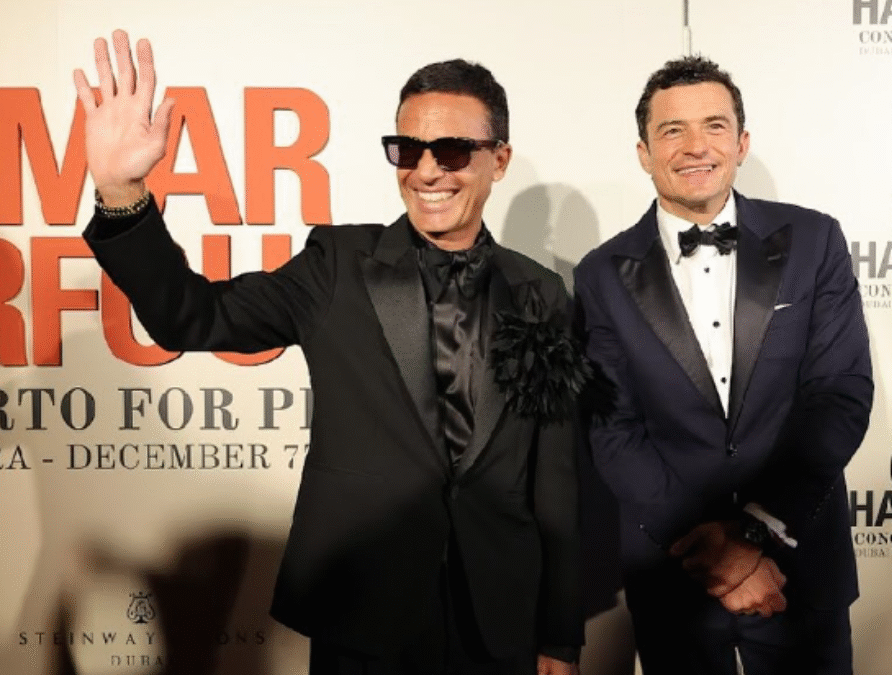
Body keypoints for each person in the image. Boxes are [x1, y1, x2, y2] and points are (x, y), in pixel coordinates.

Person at [75, 30, 582, 675]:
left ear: (499, 159)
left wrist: (559, 634)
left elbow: (554, 477)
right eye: (407, 149)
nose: (426, 171)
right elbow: (190, 316)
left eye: (452, 151)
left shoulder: (541, 293)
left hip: (498, 618)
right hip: (365, 611)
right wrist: (122, 193)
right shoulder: (338, 266)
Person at [573, 55, 872, 675]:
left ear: (742, 143)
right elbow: (612, 429)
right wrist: (715, 554)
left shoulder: (815, 242)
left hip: (798, 573)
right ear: (643, 152)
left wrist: (756, 532)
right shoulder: (600, 274)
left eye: (714, 125)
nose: (695, 146)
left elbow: (838, 394)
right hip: (677, 579)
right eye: (672, 130)